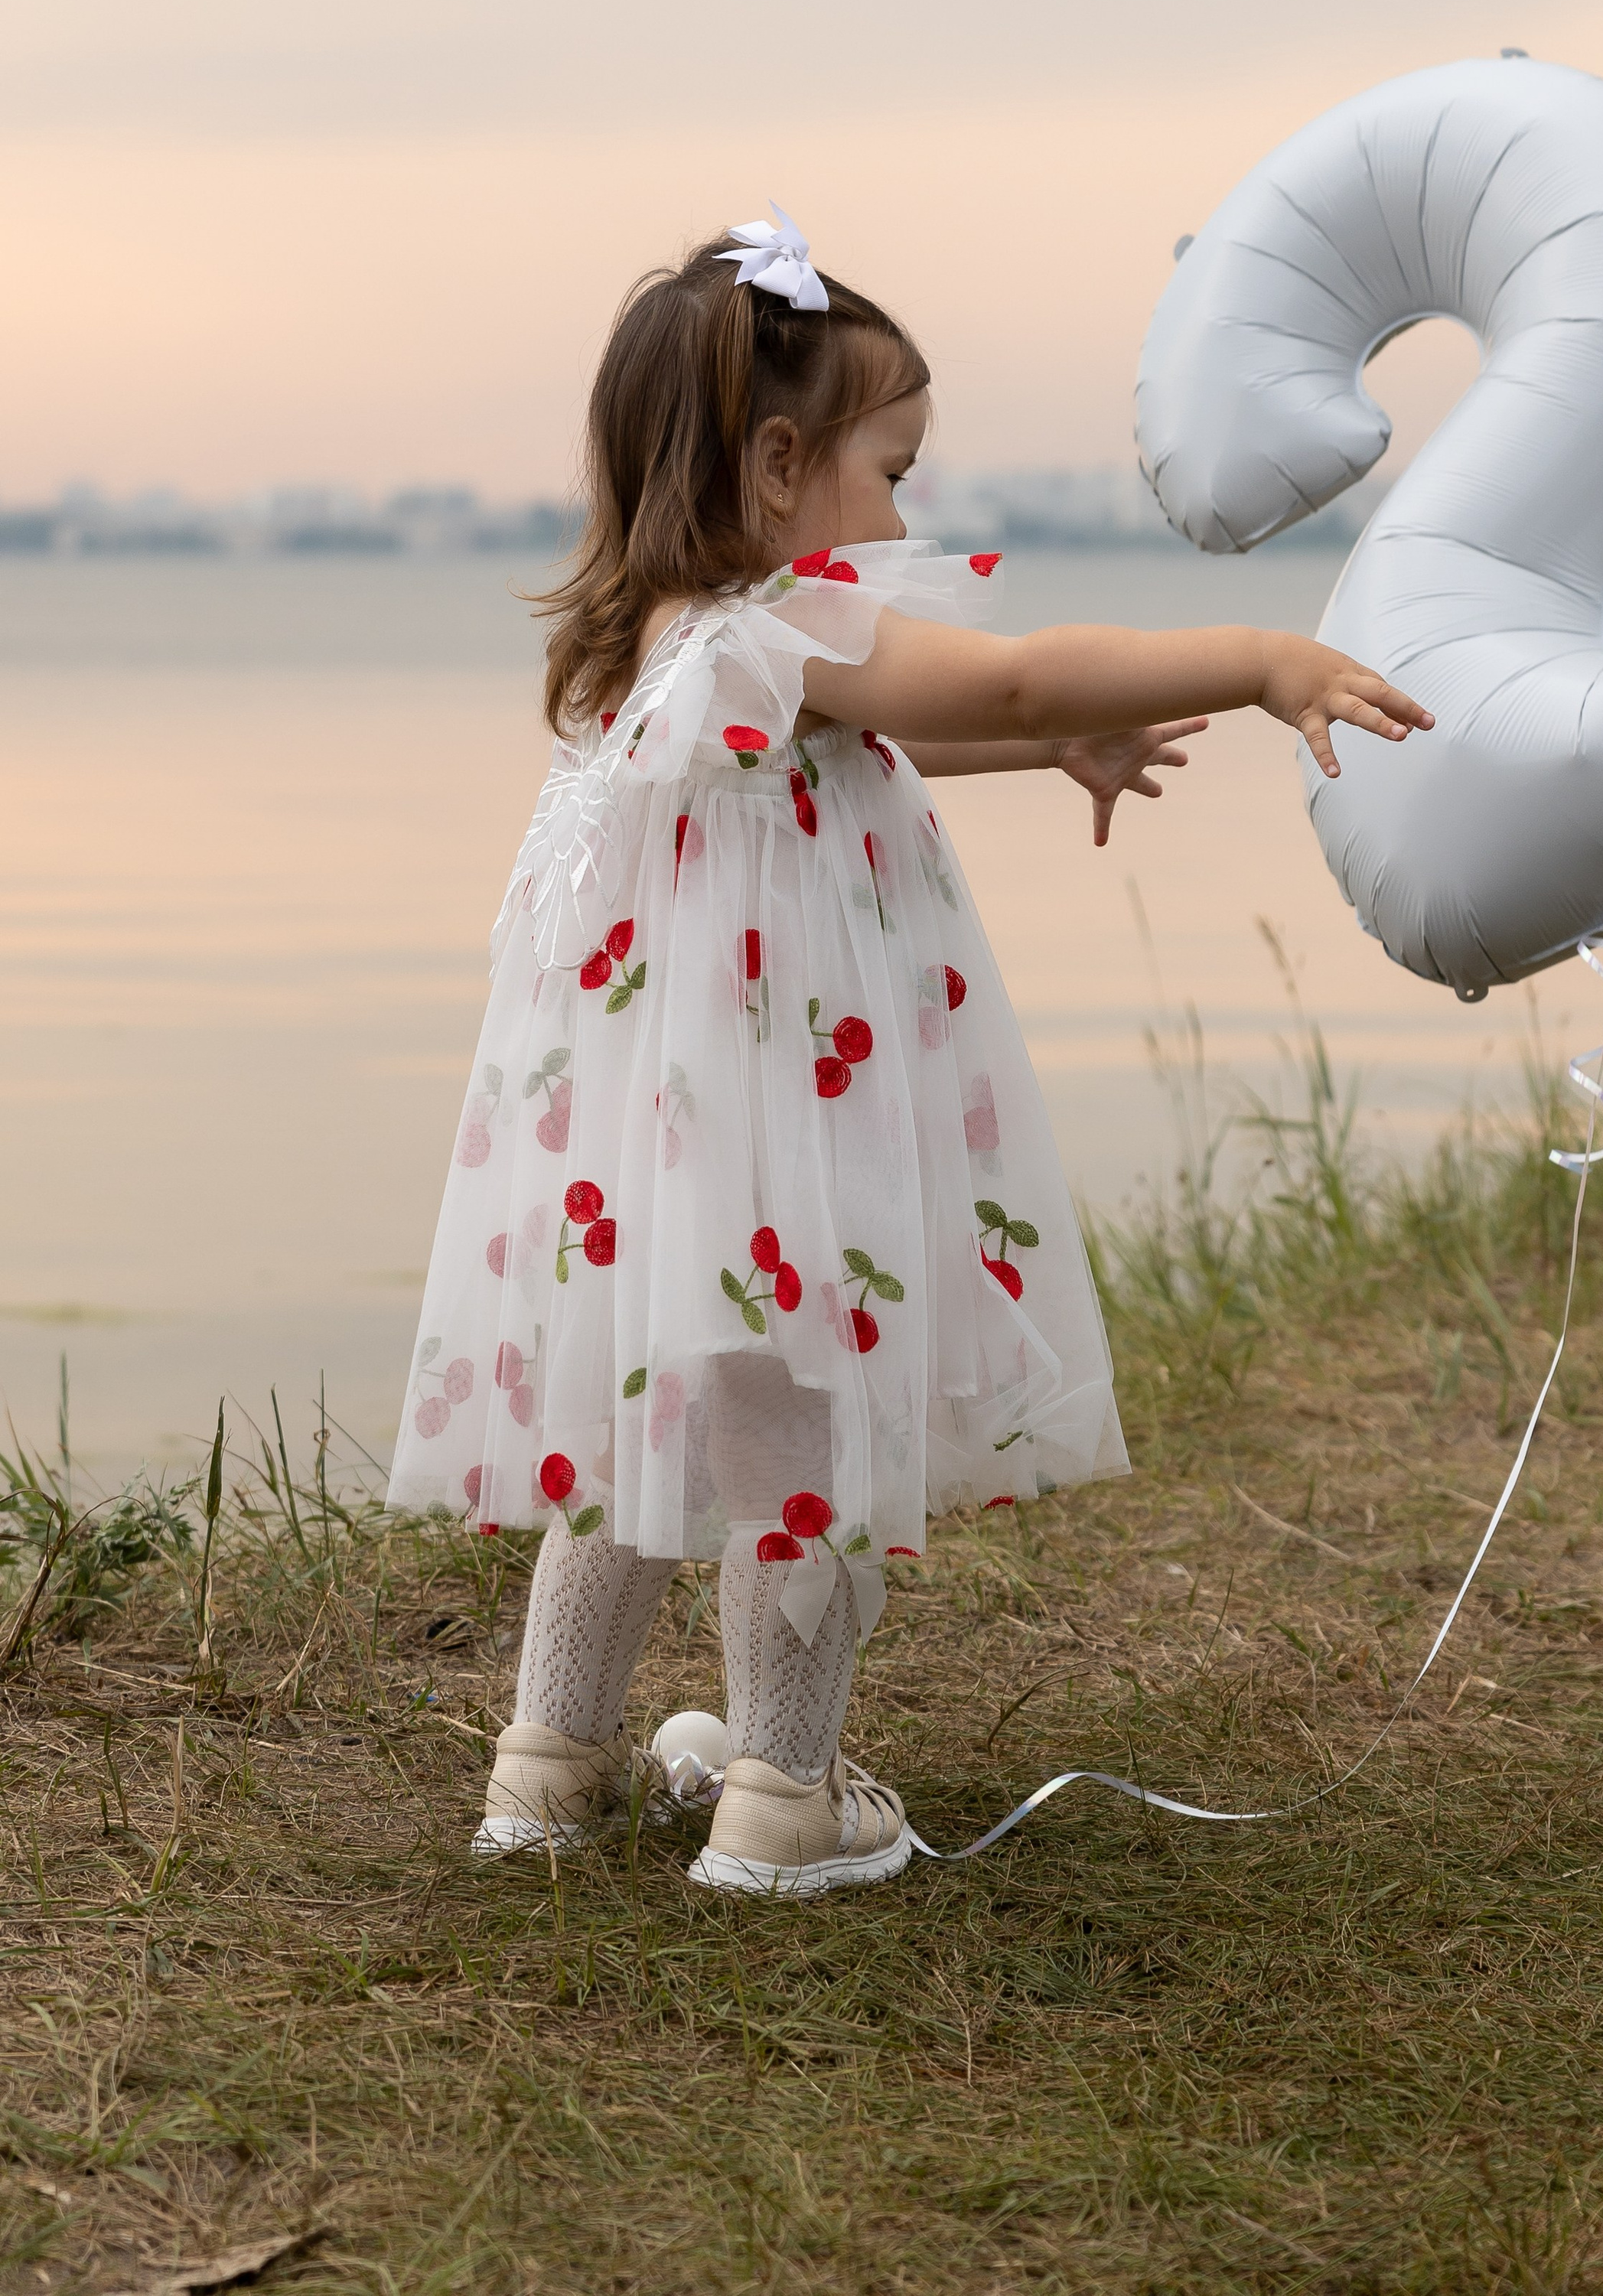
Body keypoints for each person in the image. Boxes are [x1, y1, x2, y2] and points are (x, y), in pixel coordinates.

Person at [384, 208, 1429, 1894]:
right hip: (781, 1126)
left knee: (645, 1426)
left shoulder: (639, 649)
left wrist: (1051, 754)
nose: (900, 512)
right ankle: (784, 1798)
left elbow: (886, 735)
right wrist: (1258, 659)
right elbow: (1000, 679)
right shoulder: (783, 623)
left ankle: (545, 1764)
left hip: (644, 1146)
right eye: (890, 468)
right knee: (795, 1428)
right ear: (780, 460)